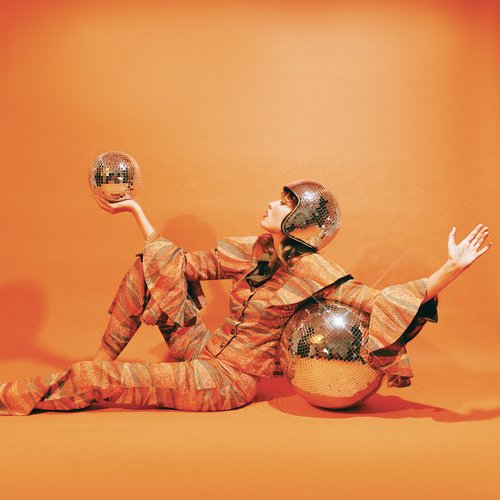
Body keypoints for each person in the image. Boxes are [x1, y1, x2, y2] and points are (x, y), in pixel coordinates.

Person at [0, 180, 491, 416]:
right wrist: (135, 209)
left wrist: (451, 268)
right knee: (145, 265)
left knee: (95, 380)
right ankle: (102, 358)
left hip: (224, 381)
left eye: (284, 203)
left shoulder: (315, 273)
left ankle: (15, 395)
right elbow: (178, 264)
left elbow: (377, 300)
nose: (272, 203)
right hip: (204, 348)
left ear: (299, 221)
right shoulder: (254, 251)